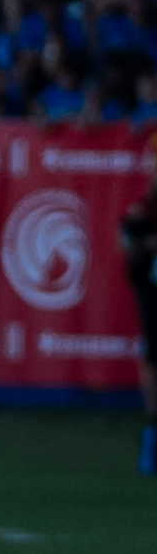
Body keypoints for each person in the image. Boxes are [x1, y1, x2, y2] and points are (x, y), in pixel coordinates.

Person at [122, 173, 156, 476]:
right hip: (151, 297)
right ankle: (151, 438)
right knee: (151, 358)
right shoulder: (140, 213)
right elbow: (125, 243)